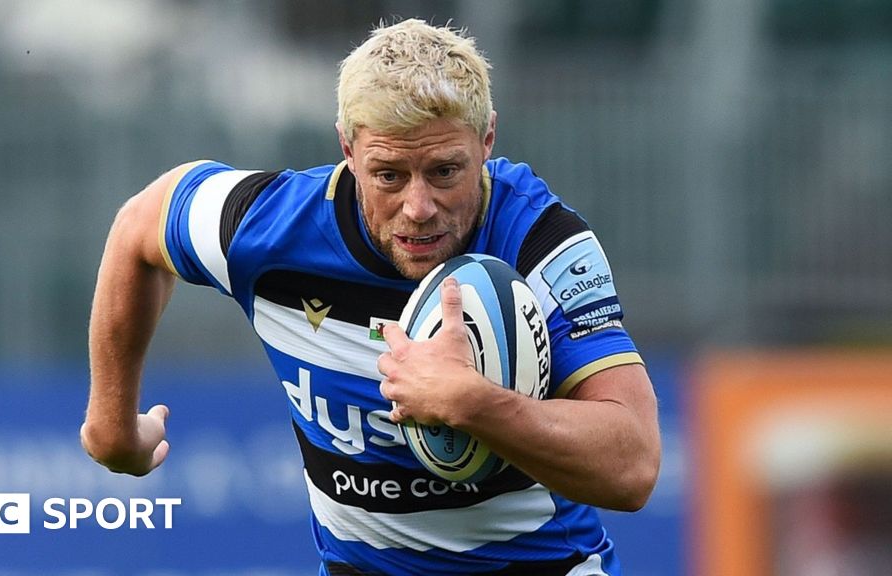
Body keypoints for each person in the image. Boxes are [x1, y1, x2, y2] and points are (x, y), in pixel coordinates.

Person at [82, 18, 660, 576]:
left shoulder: (540, 243)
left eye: (444, 171)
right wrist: (111, 426)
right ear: (348, 149)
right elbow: (139, 227)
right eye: (388, 175)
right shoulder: (271, 228)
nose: (418, 207)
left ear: (486, 140)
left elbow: (633, 467)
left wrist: (473, 404)